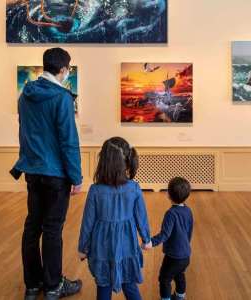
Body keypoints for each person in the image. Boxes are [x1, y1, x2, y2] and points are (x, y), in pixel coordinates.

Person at [10, 48, 83, 300]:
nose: (67, 73)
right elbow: (68, 141)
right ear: (63, 70)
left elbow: (24, 134)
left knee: (32, 228)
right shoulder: (62, 97)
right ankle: (54, 286)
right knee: (52, 230)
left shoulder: (25, 94)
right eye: (68, 69)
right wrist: (77, 177)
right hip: (55, 176)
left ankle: (32, 285)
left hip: (32, 171)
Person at [78, 137, 152, 300]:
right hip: (127, 246)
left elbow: (87, 223)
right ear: (126, 162)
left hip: (101, 248)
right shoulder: (134, 188)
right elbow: (142, 217)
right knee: (130, 286)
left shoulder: (95, 190)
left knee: (103, 287)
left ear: (103, 162)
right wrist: (146, 239)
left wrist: (83, 248)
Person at [143, 177, 193, 300]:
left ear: (168, 195)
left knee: (164, 278)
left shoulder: (171, 214)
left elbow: (164, 234)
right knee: (179, 274)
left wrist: (151, 242)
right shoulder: (188, 210)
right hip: (185, 255)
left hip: (173, 256)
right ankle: (180, 297)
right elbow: (189, 231)